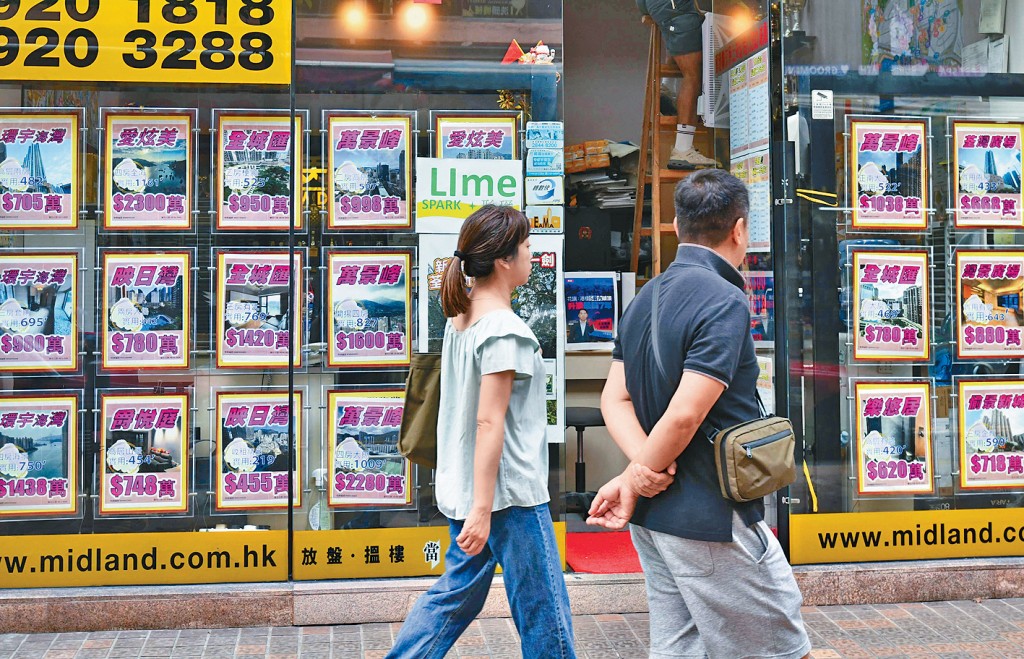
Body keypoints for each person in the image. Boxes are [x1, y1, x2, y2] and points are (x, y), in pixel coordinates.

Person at [587, 169, 810, 659]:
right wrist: (643, 472)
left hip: (656, 517)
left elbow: (614, 400)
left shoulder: (646, 295)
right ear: (740, 229)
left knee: (679, 646)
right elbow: (686, 414)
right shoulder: (725, 299)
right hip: (711, 513)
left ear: (673, 225)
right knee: (780, 648)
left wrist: (638, 475)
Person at [386, 205, 575, 659]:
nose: (533, 254)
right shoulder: (504, 331)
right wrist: (483, 510)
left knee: (454, 597)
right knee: (544, 609)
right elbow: (489, 422)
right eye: (527, 246)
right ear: (505, 260)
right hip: (507, 497)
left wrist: (476, 507)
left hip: (473, 489)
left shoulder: (462, 318)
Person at [636, 0, 717, 169]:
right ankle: (683, 149)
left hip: (659, 8)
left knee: (684, 56)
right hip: (675, 9)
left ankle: (666, 88)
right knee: (693, 77)